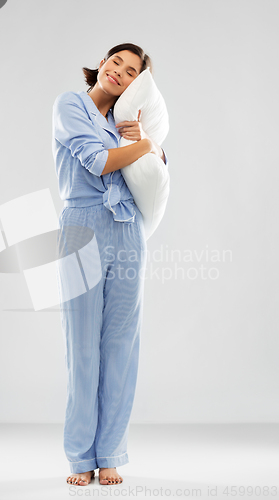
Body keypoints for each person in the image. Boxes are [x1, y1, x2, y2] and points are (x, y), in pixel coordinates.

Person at [52, 43, 168, 487]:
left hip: (127, 228)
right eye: (115, 61)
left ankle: (111, 454)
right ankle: (80, 455)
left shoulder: (127, 122)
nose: (120, 71)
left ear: (136, 83)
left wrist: (148, 145)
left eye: (131, 70)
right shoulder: (70, 104)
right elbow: (98, 163)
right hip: (81, 226)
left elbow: (158, 165)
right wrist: (143, 147)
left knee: (122, 344)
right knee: (82, 346)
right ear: (101, 64)